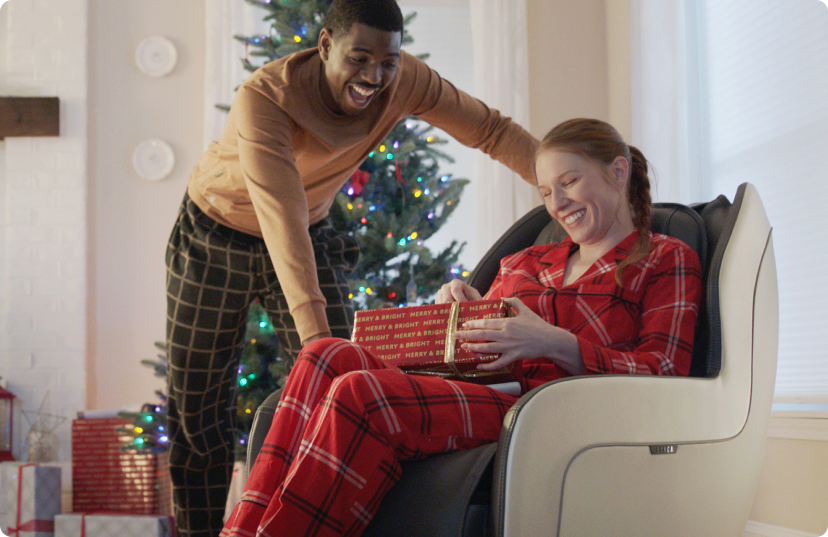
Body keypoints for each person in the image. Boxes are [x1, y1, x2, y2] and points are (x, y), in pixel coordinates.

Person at [218, 118, 704, 537]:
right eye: (546, 192)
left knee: (363, 394)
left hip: (540, 410)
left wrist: (554, 343)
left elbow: (663, 372)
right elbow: (472, 348)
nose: (557, 204)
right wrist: (456, 310)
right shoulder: (528, 258)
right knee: (325, 353)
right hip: (475, 387)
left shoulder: (664, 258)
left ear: (618, 171)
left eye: (570, 182)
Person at [164, 0, 539, 535]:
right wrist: (319, 345)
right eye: (359, 58)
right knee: (197, 409)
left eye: (387, 60)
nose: (374, 76)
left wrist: (570, 183)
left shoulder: (405, 80)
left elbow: (492, 131)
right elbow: (281, 218)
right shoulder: (265, 100)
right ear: (324, 46)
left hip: (309, 230)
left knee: (347, 386)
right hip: (215, 232)